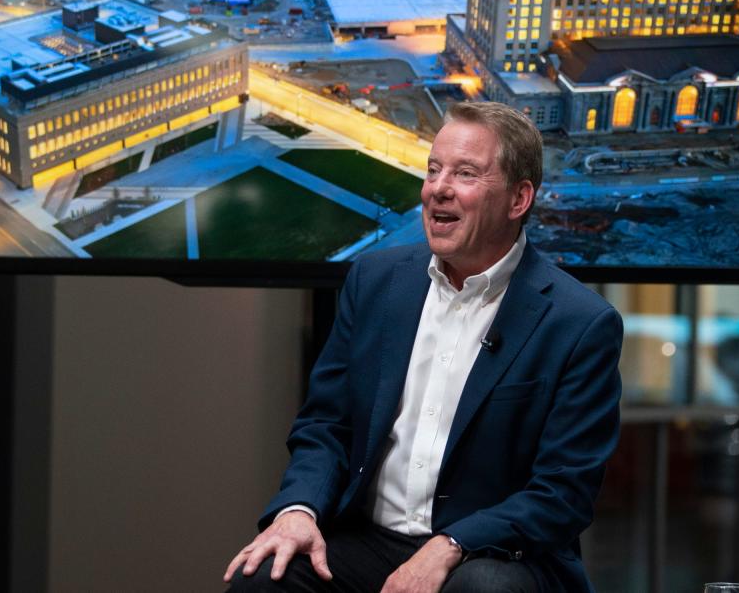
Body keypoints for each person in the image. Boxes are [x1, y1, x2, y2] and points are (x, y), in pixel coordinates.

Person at [226, 102, 624, 592]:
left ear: (519, 199)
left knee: (483, 589)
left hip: (496, 552)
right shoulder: (374, 282)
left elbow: (563, 491)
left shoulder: (578, 322)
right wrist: (298, 510)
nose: (438, 188)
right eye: (433, 170)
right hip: (369, 539)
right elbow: (326, 426)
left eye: (465, 173)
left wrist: (450, 544)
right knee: (266, 576)